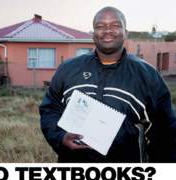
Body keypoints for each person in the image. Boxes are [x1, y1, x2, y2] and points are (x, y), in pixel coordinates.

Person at [39, 6, 176, 162]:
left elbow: (165, 131)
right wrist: (60, 137)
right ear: (93, 34)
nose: (107, 31)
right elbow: (50, 110)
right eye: (100, 26)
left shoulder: (146, 74)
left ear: (126, 33)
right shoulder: (68, 70)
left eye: (115, 25)